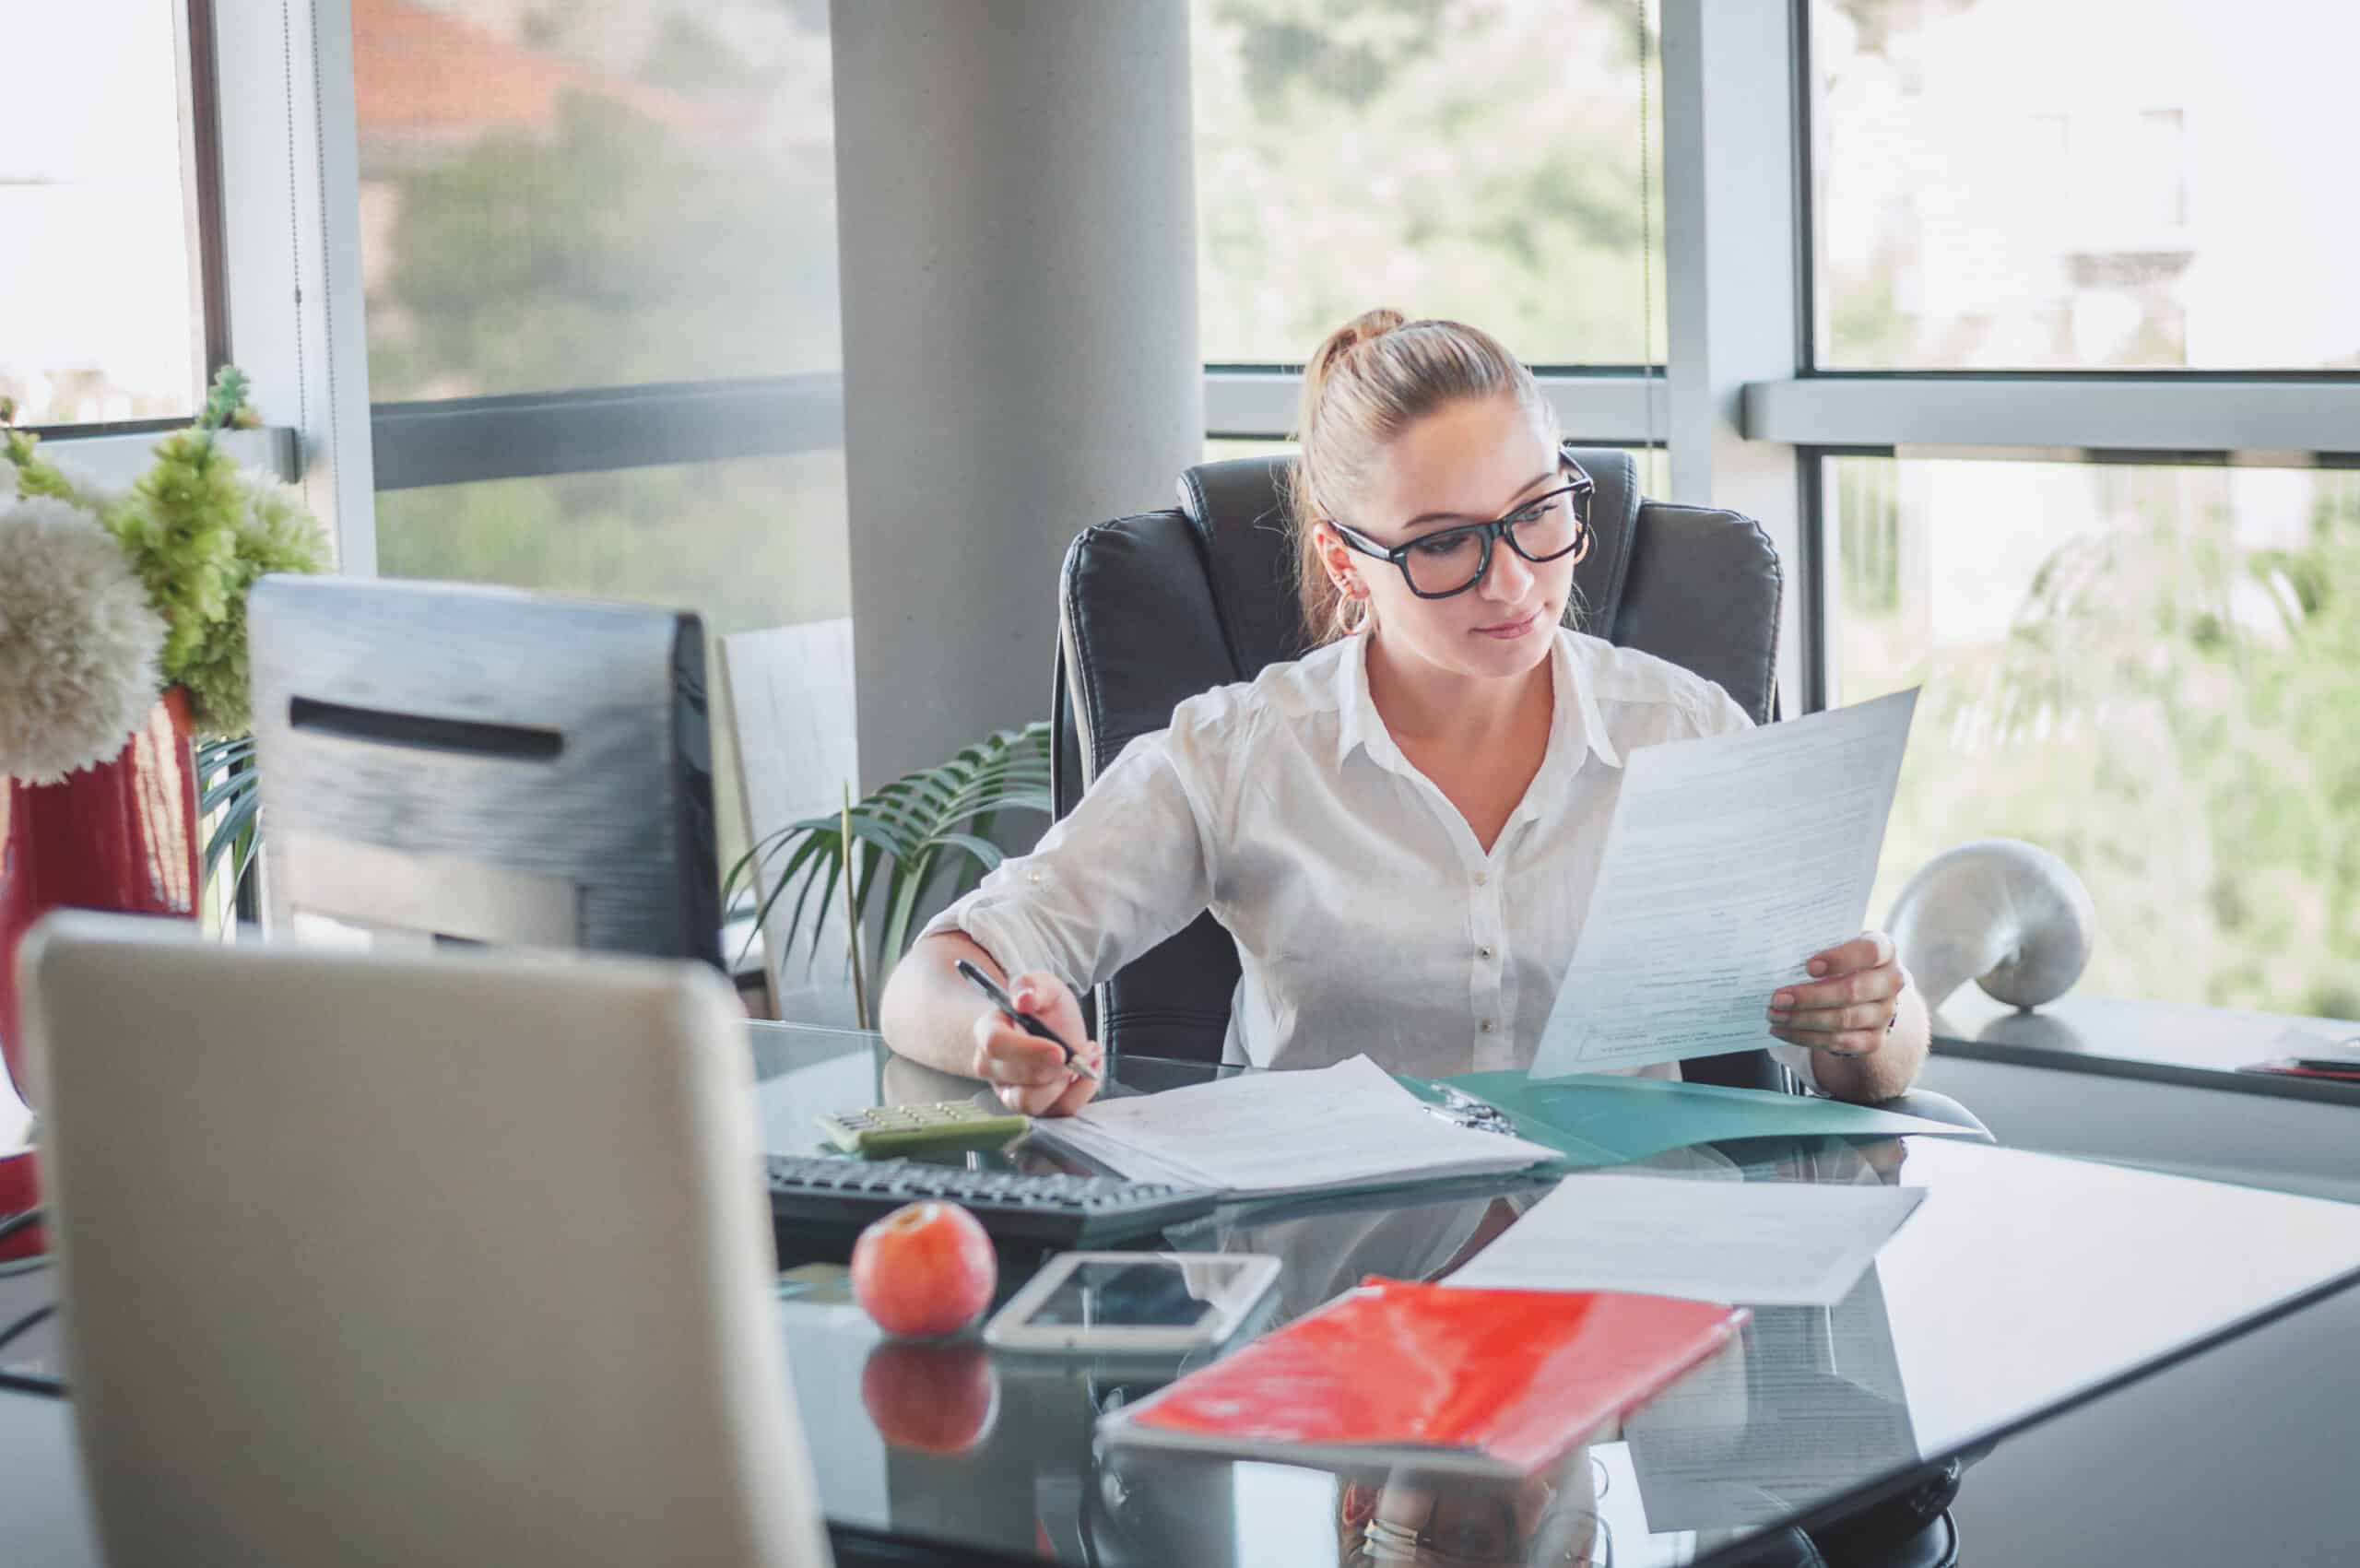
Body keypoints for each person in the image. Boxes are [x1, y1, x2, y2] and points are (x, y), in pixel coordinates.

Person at [879, 309, 1929, 1114]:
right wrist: (995, 1039)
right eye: (1441, 544)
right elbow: (940, 968)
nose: (1511, 583)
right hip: (1330, 1298)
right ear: (1345, 559)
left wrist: (1866, 1022)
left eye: (1537, 516)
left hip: (1622, 1287)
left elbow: (1868, 1058)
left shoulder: (1680, 729)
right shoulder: (1243, 753)